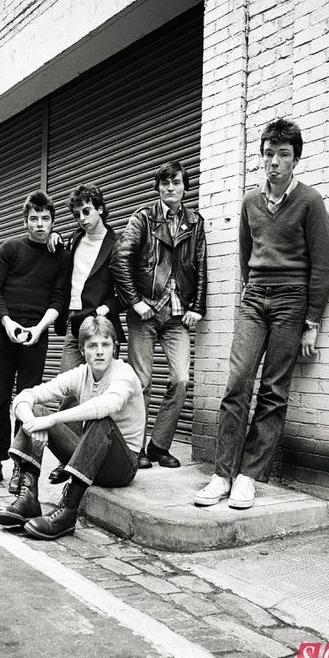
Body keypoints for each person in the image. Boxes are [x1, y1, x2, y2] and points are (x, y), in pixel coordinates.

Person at [194, 118, 329, 510]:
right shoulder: (249, 202)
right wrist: (251, 290)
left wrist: (312, 321)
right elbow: (246, 256)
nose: (274, 161)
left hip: (292, 301)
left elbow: (324, 267)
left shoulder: (310, 201)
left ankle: (248, 477)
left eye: (283, 154)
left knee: (274, 390)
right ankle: (222, 474)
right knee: (237, 382)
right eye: (269, 153)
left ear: (295, 160)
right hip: (255, 298)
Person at [0, 316, 145, 540]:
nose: (100, 351)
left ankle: (67, 513)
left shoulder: (124, 374)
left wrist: (53, 420)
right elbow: (26, 396)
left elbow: (107, 405)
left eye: (105, 344)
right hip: (91, 457)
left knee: (100, 420)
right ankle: (28, 499)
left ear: (115, 347)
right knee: (38, 411)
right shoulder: (80, 374)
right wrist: (32, 422)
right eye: (92, 346)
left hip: (121, 466)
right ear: (83, 350)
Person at [110, 160, 207, 469]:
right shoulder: (143, 218)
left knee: (180, 379)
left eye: (176, 182)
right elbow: (120, 260)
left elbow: (201, 266)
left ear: (184, 187)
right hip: (146, 313)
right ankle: (134, 446)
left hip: (177, 315)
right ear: (158, 187)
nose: (170, 188)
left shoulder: (195, 222)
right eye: (165, 183)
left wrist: (197, 307)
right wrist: (135, 301)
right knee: (141, 380)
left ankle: (158, 445)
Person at [0, 191, 70, 493]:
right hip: (4, 335)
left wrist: (40, 328)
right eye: (34, 219)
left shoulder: (60, 256)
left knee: (26, 404)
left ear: (53, 221)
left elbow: (59, 298)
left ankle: (20, 466)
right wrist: (7, 322)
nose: (39, 224)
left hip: (36, 336)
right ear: (25, 221)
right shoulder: (10, 248)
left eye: (45, 219)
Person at [48, 184, 125, 485]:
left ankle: (91, 460)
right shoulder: (73, 241)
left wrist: (104, 310)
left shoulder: (117, 243)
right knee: (69, 392)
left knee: (99, 395)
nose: (81, 218)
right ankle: (67, 459)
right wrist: (54, 236)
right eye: (77, 213)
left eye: (86, 211)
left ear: (100, 208)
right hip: (72, 323)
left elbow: (127, 290)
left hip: (99, 327)